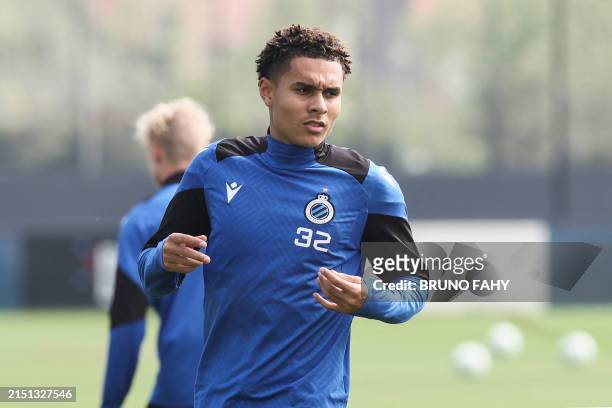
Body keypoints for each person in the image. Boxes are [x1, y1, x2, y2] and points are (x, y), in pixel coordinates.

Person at [138, 25, 428, 407]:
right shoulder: (215, 166)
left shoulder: (368, 185)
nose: (319, 105)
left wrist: (368, 296)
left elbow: (414, 288)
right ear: (267, 91)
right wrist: (164, 259)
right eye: (304, 90)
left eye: (331, 93)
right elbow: (151, 272)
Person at [102, 98, 214, 408]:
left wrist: (110, 402)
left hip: (180, 390)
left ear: (156, 152)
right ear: (203, 149)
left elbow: (127, 326)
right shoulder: (236, 204)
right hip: (248, 388)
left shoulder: (141, 220)